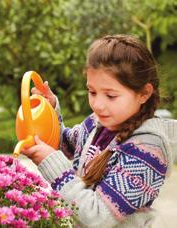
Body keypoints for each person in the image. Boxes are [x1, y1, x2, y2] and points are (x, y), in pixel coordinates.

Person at [21, 34, 176, 227]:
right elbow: (65, 144)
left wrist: (56, 169)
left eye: (110, 95)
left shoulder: (148, 151)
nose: (98, 105)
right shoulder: (96, 124)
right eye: (92, 92)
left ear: (143, 94)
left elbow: (98, 217)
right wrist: (50, 111)